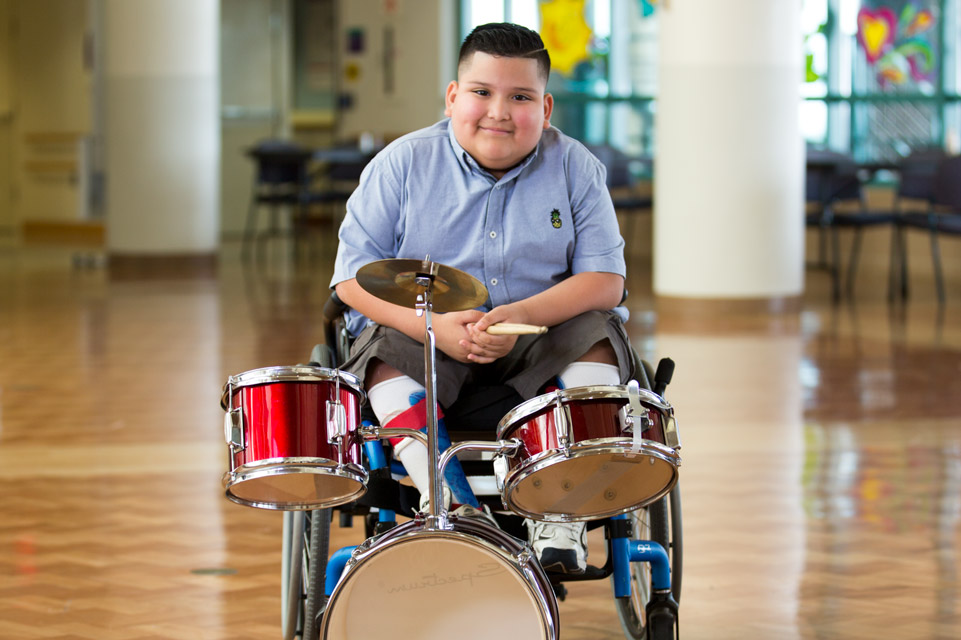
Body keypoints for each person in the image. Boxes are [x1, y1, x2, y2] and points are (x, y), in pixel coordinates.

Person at [330, 22, 634, 574]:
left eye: (519, 97)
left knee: (596, 332)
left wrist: (520, 315)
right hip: (431, 340)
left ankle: (558, 509)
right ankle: (448, 502)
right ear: (452, 98)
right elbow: (350, 280)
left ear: (544, 109)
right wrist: (434, 328)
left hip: (539, 339)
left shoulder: (575, 167)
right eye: (481, 92)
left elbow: (604, 280)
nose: (498, 111)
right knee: (381, 349)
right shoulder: (401, 165)